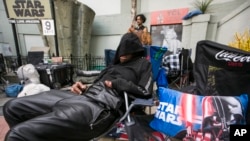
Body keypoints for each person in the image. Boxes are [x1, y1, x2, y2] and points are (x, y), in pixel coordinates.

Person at [3, 33, 153, 141]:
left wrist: (119, 83)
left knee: (16, 135)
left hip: (102, 106)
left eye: (128, 51)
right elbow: (97, 82)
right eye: (122, 50)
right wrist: (84, 87)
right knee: (11, 107)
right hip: (81, 96)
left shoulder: (143, 64)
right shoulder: (114, 66)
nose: (123, 54)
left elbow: (145, 92)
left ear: (135, 51)